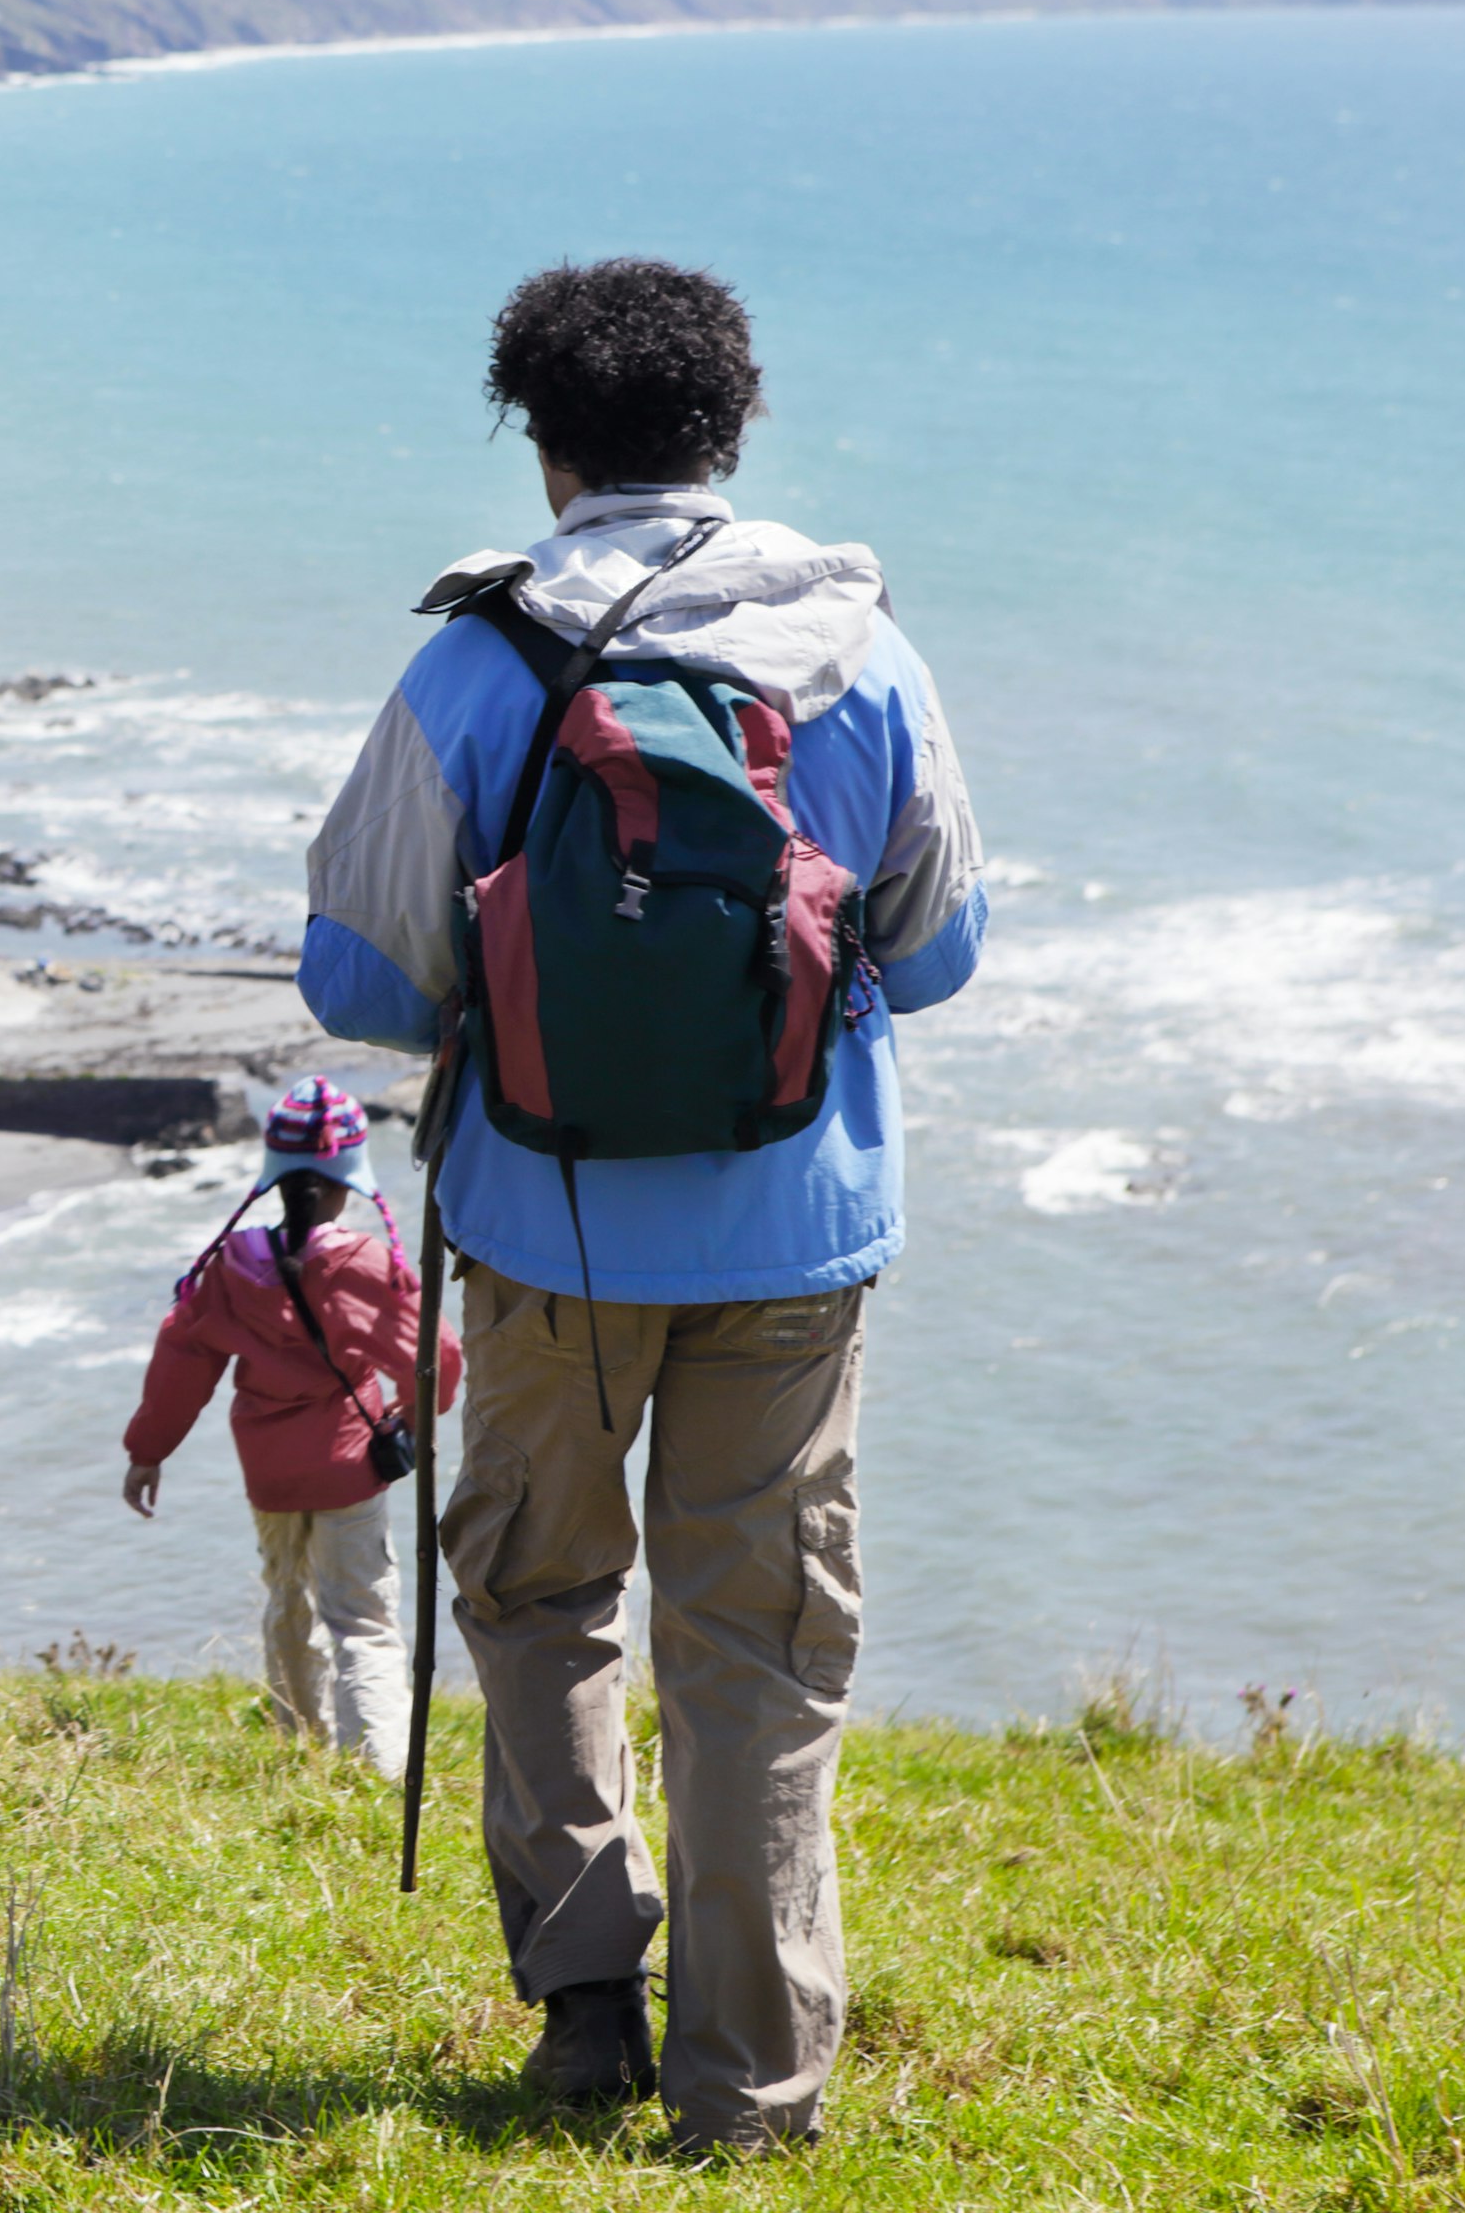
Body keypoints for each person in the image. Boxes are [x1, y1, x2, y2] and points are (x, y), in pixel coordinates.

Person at [301, 259, 986, 2153]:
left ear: (544, 449)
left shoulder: (477, 660)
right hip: (797, 1229)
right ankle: (752, 2092)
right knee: (757, 1652)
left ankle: (586, 2003)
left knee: (538, 1595)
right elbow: (933, 961)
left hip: (545, 1227)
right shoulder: (865, 652)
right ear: (736, 430)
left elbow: (357, 985)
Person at [117, 1077, 458, 1775]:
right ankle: (377, 1767)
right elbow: (436, 1357)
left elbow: (182, 1358)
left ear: (274, 1175)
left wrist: (148, 1451)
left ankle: (299, 1739)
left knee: (287, 1599)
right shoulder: (363, 1263)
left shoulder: (232, 1265)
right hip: (347, 1465)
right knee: (359, 1617)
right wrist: (418, 1414)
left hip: (268, 1468)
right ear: (349, 1180)